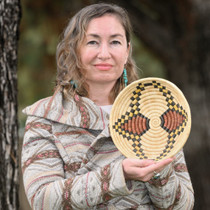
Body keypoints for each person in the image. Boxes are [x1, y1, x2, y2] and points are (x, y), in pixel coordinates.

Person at [21, 3, 194, 210]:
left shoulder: (158, 111)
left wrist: (158, 171)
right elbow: (42, 200)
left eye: (115, 42)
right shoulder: (47, 116)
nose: (104, 53)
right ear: (74, 49)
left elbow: (182, 205)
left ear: (127, 50)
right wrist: (118, 175)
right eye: (93, 42)